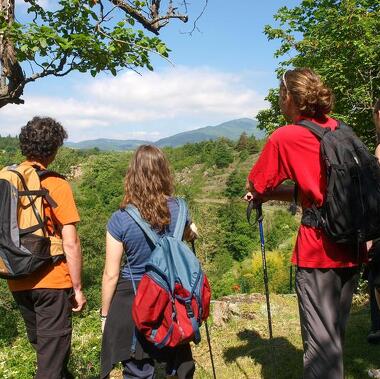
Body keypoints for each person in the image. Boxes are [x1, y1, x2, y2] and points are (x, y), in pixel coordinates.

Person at [244, 68, 363, 379]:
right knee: (334, 338)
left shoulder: (286, 136)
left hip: (318, 250)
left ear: (287, 97)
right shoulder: (341, 130)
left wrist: (262, 195)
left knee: (322, 350)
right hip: (352, 246)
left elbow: (257, 184)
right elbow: (318, 190)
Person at [100, 144, 198, 379]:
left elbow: (111, 274)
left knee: (137, 367)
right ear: (164, 173)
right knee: (176, 356)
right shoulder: (180, 208)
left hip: (135, 297)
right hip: (172, 296)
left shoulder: (120, 219)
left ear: (132, 175)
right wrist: (187, 230)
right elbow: (192, 233)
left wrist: (105, 315)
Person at [7, 117, 86, 378]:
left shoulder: (8, 181)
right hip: (52, 281)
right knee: (51, 365)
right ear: (53, 149)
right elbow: (70, 241)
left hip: (17, 279)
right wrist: (76, 287)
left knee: (50, 356)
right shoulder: (55, 183)